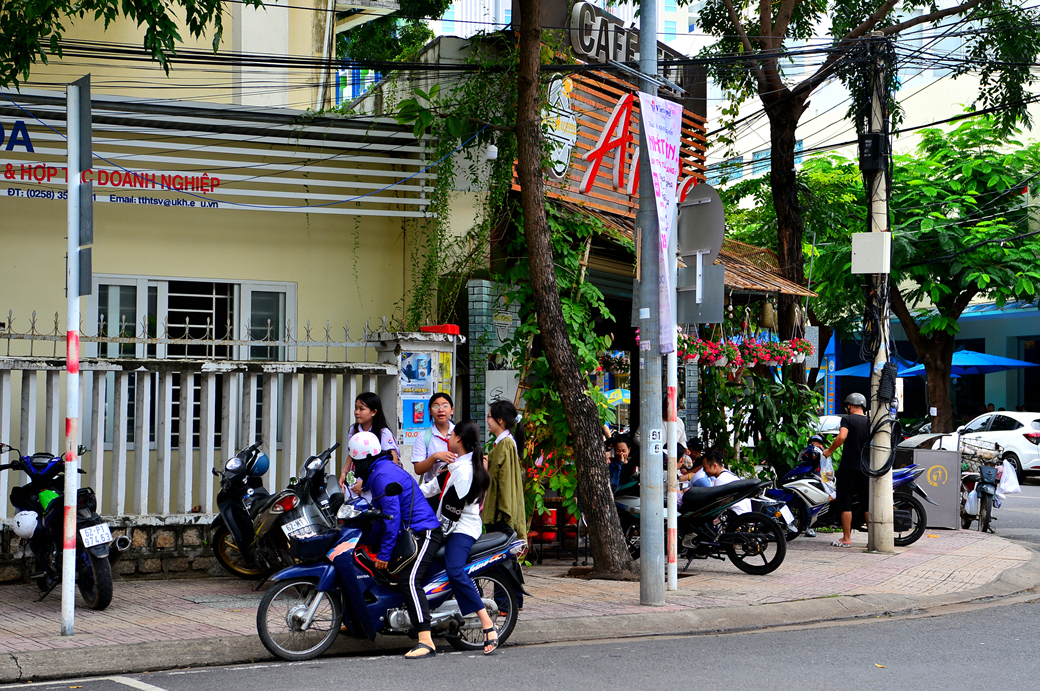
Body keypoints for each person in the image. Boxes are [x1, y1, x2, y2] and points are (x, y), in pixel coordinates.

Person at [346, 431, 442, 659]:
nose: (354, 468)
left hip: (424, 532)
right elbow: (381, 517)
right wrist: (369, 543)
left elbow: (391, 517)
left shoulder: (382, 475)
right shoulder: (379, 471)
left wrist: (384, 553)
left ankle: (426, 641)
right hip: (409, 532)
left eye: (356, 462)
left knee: (409, 580)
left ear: (365, 459)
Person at [419, 420, 501, 654]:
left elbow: (451, 515)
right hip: (451, 525)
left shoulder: (464, 471)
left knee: (454, 569)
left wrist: (432, 532)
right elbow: (431, 488)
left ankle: (487, 623)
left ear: (459, 440)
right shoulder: (456, 465)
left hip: (462, 529)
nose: (449, 436)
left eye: (452, 433)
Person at [483, 399, 528, 611]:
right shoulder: (503, 443)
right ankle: (513, 601)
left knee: (501, 560)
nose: (487, 420)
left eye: (489, 416)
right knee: (506, 559)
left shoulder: (506, 444)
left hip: (501, 514)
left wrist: (505, 513)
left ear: (500, 420)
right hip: (501, 512)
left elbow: (505, 483)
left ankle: (505, 603)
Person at [823, 392, 870, 548]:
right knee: (867, 503)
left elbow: (842, 437)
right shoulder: (870, 421)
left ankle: (846, 538)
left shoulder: (847, 420)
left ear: (850, 405)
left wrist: (829, 451)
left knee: (846, 503)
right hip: (866, 467)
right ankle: (873, 538)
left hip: (849, 467)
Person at [342, 392, 399, 493]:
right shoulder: (354, 430)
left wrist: (366, 483)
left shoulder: (383, 433)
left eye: (361, 409)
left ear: (373, 412)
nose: (357, 412)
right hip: (356, 479)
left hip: (376, 481)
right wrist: (344, 473)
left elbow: (393, 462)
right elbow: (352, 454)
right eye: (356, 408)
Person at [410, 392, 456, 507]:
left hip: (457, 489)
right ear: (430, 411)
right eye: (436, 406)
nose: (441, 410)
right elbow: (418, 469)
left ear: (452, 410)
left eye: (445, 405)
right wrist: (435, 457)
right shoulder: (424, 436)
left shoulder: (462, 433)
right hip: (433, 491)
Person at [702, 449, 751, 514]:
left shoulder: (721, 480)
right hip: (744, 513)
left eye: (705, 467)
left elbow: (716, 505)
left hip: (736, 514)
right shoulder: (728, 474)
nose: (704, 470)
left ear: (714, 466)